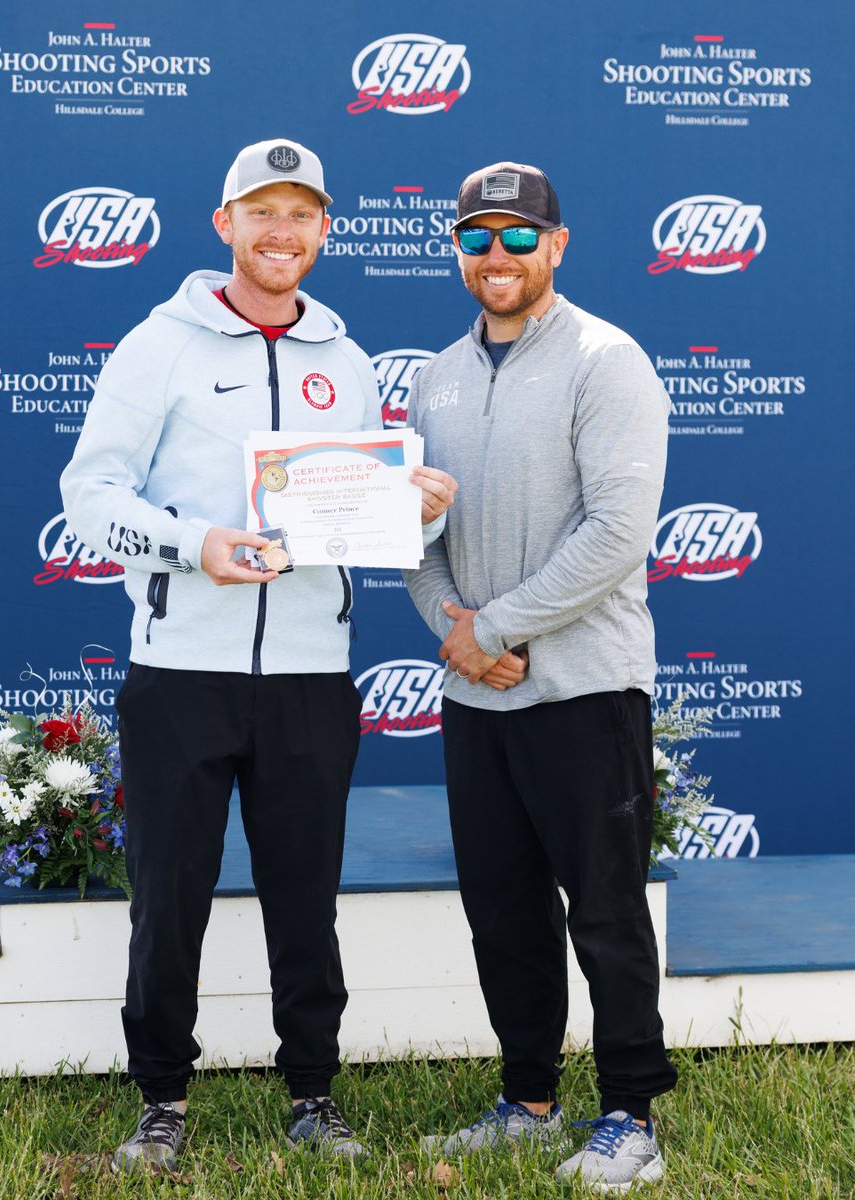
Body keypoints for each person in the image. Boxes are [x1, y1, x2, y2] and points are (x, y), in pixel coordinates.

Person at [61, 137, 456, 1174]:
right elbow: (89, 497)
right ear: (225, 224)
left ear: (324, 230)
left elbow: (360, 520)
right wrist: (196, 546)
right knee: (169, 896)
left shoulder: (347, 359)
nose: (282, 232)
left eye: (301, 214)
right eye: (262, 212)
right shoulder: (159, 345)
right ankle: (161, 1099)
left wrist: (413, 508)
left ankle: (314, 1093)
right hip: (182, 672)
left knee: (305, 897)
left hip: (310, 678)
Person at [403, 161, 677, 1192]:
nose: (498, 255)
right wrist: (458, 631)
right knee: (503, 909)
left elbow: (617, 532)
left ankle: (631, 1116)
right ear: (457, 250)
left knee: (604, 910)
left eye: (519, 237)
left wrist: (498, 625)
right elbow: (412, 537)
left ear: (556, 246)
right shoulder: (434, 375)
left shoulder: (608, 360)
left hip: (585, 690)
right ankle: (528, 1102)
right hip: (477, 694)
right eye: (477, 237)